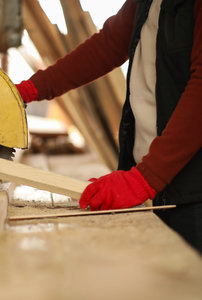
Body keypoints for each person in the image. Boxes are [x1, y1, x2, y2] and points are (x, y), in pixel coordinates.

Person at [15, 0, 202, 253]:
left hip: (194, 191)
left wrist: (144, 179)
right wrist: (27, 90)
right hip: (164, 183)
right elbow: (108, 45)